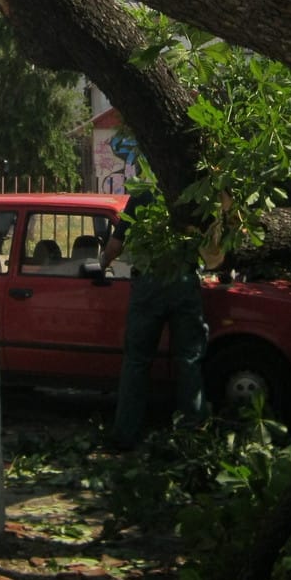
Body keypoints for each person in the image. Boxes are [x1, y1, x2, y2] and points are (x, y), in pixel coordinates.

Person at [98, 190, 217, 449]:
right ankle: (192, 437)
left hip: (150, 283)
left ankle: (126, 436)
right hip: (185, 280)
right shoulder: (192, 189)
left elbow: (115, 246)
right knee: (189, 360)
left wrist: (103, 261)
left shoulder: (143, 195)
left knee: (137, 361)